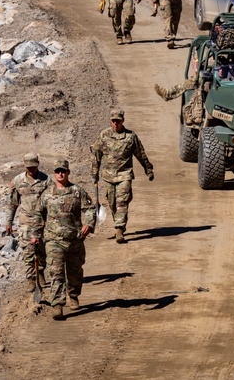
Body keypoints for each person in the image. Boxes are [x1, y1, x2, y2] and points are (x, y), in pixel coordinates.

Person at [31, 159, 95, 320]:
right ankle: (57, 304)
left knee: (74, 272)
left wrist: (88, 223)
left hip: (75, 239)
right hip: (54, 240)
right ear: (54, 173)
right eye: (58, 171)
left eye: (63, 171)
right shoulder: (46, 194)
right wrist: (35, 235)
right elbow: (38, 215)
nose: (60, 174)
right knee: (56, 272)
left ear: (68, 173)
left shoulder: (77, 191)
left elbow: (89, 209)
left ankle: (73, 295)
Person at [90, 108, 154, 244]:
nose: (116, 124)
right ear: (111, 121)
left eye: (118, 121)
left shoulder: (130, 137)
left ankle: (119, 229)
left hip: (124, 175)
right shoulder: (103, 135)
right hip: (108, 176)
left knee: (122, 202)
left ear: (123, 121)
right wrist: (94, 173)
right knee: (112, 203)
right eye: (113, 121)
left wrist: (148, 169)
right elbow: (96, 156)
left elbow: (140, 154)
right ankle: (119, 221)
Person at [5, 153, 51, 300]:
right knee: (28, 252)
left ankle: (41, 273)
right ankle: (31, 278)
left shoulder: (46, 180)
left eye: (33, 166)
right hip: (25, 223)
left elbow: (53, 201)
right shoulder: (17, 181)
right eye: (28, 167)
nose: (31, 170)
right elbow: (12, 204)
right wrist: (9, 222)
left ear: (38, 164)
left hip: (43, 222)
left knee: (42, 250)